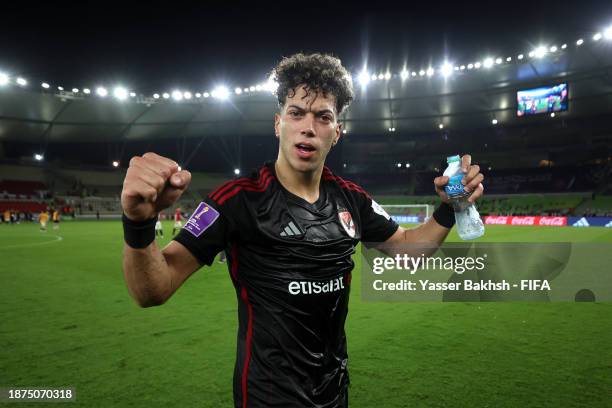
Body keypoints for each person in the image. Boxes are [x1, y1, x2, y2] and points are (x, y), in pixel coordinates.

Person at [120, 53, 484, 408]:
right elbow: (153, 288)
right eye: (296, 113)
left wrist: (450, 209)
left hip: (334, 393)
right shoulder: (235, 200)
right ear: (279, 123)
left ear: (337, 132)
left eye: (323, 117)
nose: (308, 127)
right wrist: (138, 222)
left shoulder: (352, 199)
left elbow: (408, 250)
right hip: (266, 398)